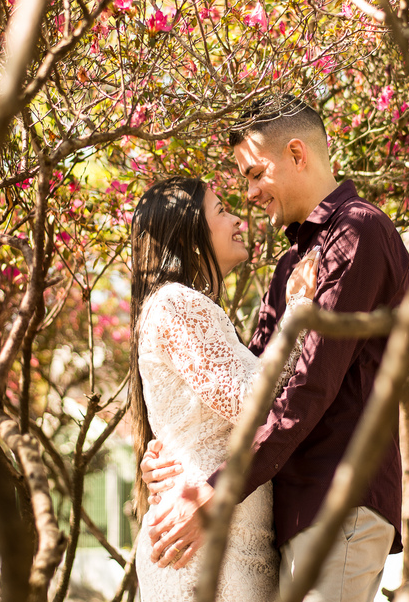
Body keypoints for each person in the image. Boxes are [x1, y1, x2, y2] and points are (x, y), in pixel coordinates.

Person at [142, 95, 409, 602]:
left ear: (296, 153)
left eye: (255, 174)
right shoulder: (293, 264)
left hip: (337, 500)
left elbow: (310, 385)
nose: (249, 194)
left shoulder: (357, 232)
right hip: (289, 506)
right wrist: (167, 451)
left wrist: (217, 490)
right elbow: (255, 388)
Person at [129, 176, 317, 602]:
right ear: (190, 236)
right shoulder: (178, 304)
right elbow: (252, 404)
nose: (236, 219)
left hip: (227, 538)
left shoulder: (185, 307)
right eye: (221, 210)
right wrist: (301, 311)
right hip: (201, 547)